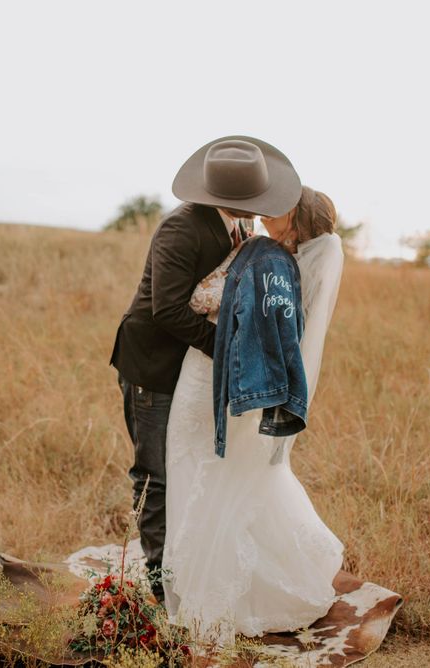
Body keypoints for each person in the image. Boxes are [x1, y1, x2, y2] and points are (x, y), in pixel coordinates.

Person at [109, 136, 302, 601]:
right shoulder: (181, 229)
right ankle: (159, 586)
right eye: (251, 203)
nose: (258, 212)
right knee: (154, 473)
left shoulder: (240, 226)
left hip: (188, 368)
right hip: (152, 364)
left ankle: (185, 561)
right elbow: (167, 310)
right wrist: (231, 349)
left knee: (186, 465)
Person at [162, 186, 346, 645]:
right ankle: (259, 589)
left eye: (280, 206)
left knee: (200, 475)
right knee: (238, 484)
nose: (267, 210)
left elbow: (200, 300)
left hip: (214, 380)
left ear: (296, 221)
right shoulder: (298, 266)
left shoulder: (263, 255)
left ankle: (211, 595)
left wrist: (232, 267)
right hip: (259, 388)